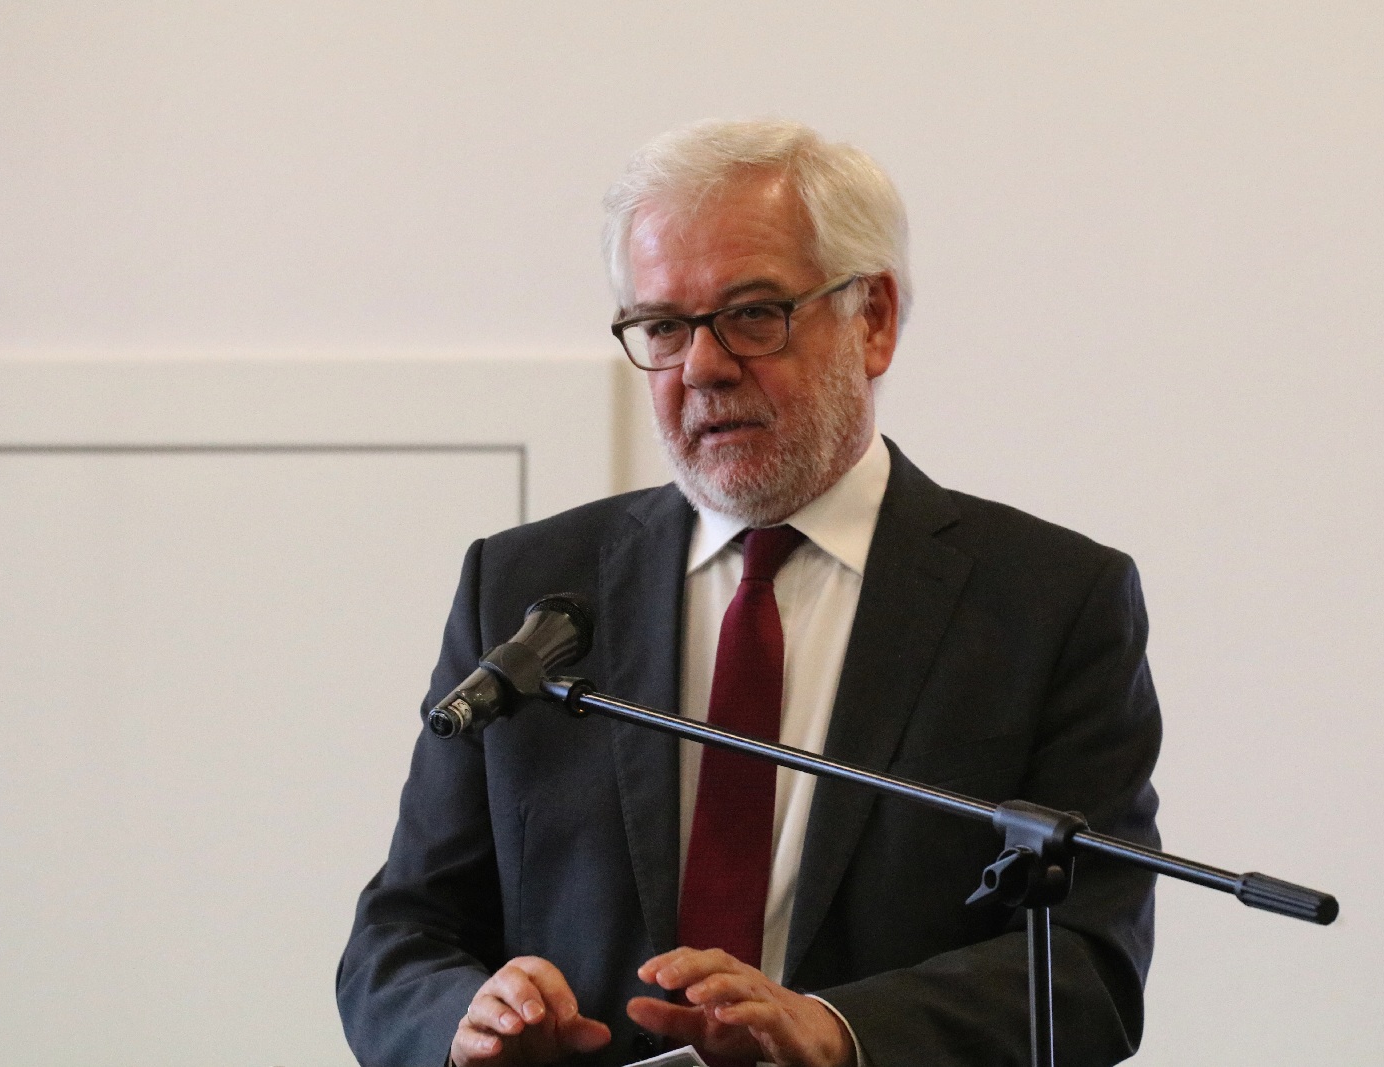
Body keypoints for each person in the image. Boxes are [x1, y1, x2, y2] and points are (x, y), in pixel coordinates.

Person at [337, 119, 1161, 1067]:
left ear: (874, 319)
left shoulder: (1048, 602)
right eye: (663, 327)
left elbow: (1089, 965)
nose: (704, 366)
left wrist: (840, 1033)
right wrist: (464, 1022)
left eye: (754, 313)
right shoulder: (528, 587)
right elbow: (400, 935)